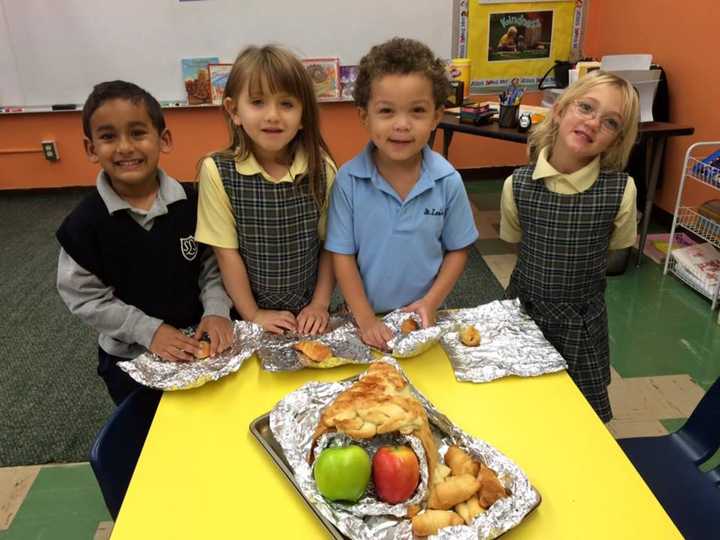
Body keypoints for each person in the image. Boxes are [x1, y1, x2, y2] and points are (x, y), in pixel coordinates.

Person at [56, 80, 233, 405]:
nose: (124, 147)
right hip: (130, 359)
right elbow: (84, 298)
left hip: (201, 342)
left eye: (137, 133)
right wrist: (148, 331)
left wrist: (218, 311)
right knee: (147, 436)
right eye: (108, 137)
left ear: (163, 140)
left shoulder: (193, 204)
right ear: (91, 148)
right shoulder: (83, 226)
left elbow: (213, 265)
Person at [499, 70, 640, 422]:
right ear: (559, 111)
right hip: (525, 312)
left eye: (609, 122)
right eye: (586, 108)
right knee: (520, 408)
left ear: (616, 140)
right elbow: (518, 244)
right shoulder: (516, 185)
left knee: (579, 419)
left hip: (581, 324)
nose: (593, 123)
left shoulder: (621, 191)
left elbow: (615, 250)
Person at [326, 37, 479, 350]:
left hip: (423, 317)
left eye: (417, 111)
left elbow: (459, 249)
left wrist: (431, 302)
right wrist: (366, 318)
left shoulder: (447, 181)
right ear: (364, 117)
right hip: (364, 317)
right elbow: (342, 256)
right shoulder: (348, 181)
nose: (402, 125)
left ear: (437, 116)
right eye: (386, 111)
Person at [195, 45, 336, 335]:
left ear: (303, 115)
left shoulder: (322, 170)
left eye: (286, 104)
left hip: (309, 314)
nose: (273, 115)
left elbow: (331, 246)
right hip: (246, 314)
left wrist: (320, 304)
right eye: (258, 102)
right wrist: (253, 313)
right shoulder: (217, 171)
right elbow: (226, 253)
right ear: (234, 111)